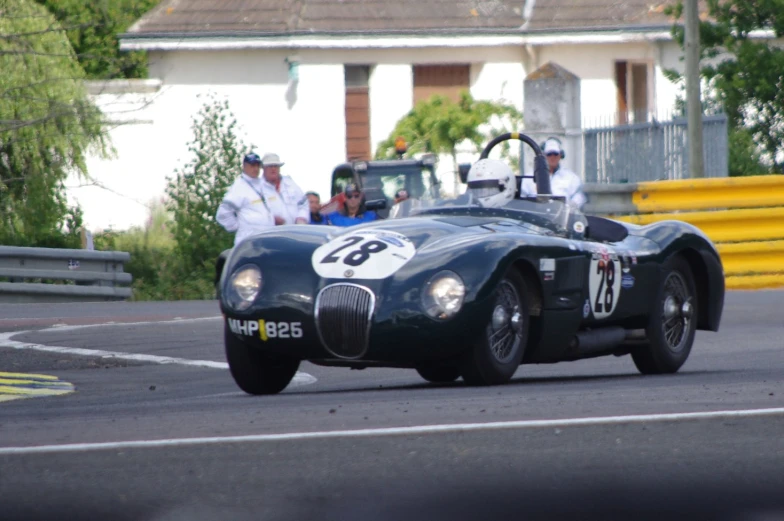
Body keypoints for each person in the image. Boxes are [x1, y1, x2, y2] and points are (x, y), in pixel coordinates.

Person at [216, 152, 276, 246]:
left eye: (257, 166)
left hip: (266, 240)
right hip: (248, 242)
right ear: (244, 166)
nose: (256, 169)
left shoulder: (263, 185)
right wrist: (237, 227)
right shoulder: (239, 187)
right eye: (252, 165)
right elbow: (223, 214)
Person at [520, 137, 586, 209]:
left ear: (561, 155)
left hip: (562, 217)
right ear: (543, 155)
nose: (552, 157)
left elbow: (579, 197)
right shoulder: (529, 178)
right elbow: (522, 197)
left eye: (555, 154)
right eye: (549, 154)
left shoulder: (571, 178)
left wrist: (571, 206)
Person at [258, 152, 309, 225]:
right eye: (270, 166)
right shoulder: (258, 189)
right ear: (263, 168)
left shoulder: (290, 184)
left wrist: (302, 218)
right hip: (271, 232)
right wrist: (271, 219)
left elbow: (303, 203)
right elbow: (254, 213)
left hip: (295, 231)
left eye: (276, 166)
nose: (273, 169)